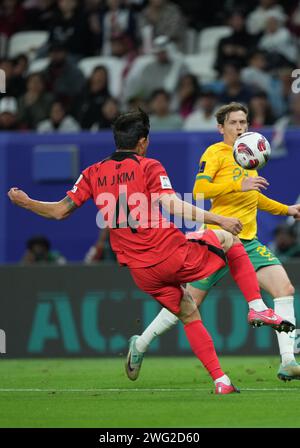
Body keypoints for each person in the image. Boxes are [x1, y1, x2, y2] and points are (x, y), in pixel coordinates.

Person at [7, 109, 293, 395]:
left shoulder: (92, 172)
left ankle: (222, 381)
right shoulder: (149, 166)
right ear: (143, 142)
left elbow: (59, 211)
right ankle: (257, 308)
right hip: (170, 254)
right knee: (229, 241)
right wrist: (219, 219)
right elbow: (172, 205)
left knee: (189, 312)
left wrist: (26, 201)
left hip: (141, 272)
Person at [129, 102, 300, 383]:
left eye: (243, 122)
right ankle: (141, 344)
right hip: (216, 241)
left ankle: (288, 361)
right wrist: (237, 185)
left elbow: (255, 197)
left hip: (247, 241)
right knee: (186, 304)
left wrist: (287, 209)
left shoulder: (250, 154)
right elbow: (199, 189)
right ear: (221, 128)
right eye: (233, 123)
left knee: (284, 288)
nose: (239, 128)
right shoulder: (215, 153)